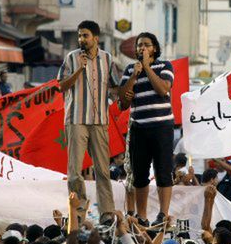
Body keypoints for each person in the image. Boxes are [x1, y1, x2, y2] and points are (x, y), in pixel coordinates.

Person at [57, 20, 118, 225]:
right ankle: (79, 210)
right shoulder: (72, 58)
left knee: (102, 170)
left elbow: (115, 88)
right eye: (80, 35)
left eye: (85, 35)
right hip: (76, 119)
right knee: (75, 171)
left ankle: (107, 213)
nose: (81, 39)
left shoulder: (108, 59)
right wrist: (79, 70)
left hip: (100, 121)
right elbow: (61, 86)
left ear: (96, 38)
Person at [119, 32, 175, 226]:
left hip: (162, 127)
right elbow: (123, 102)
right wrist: (135, 75)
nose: (142, 47)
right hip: (139, 129)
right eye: (139, 45)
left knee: (163, 172)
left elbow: (162, 89)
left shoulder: (164, 66)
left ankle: (162, 214)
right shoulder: (129, 69)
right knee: (139, 174)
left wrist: (147, 69)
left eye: (146, 44)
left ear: (154, 49)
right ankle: (141, 216)